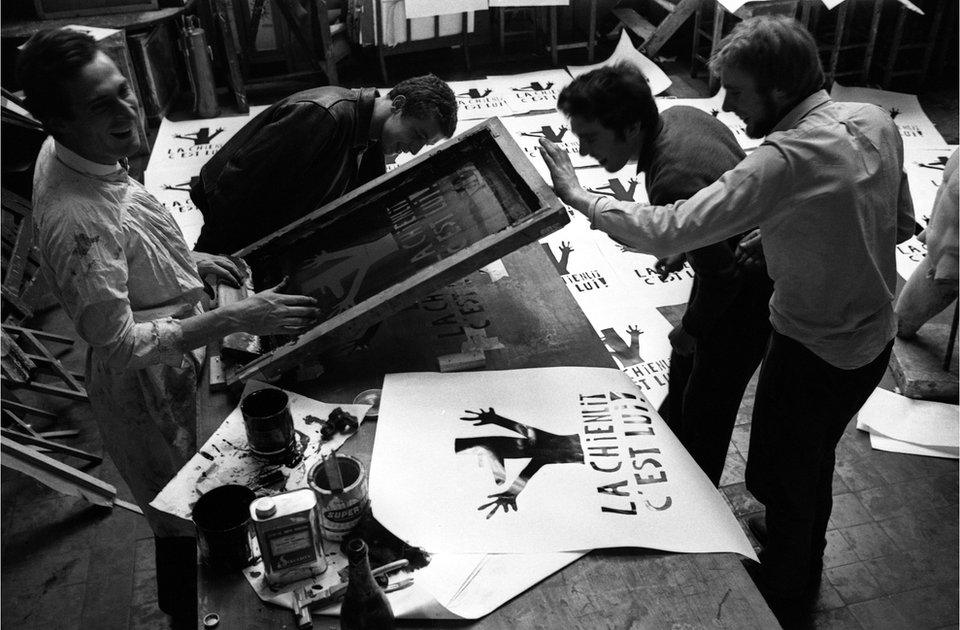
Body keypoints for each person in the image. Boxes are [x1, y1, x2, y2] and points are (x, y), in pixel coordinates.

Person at [539, 16, 914, 626]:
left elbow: (674, 226)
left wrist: (583, 197)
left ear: (779, 88)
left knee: (781, 471)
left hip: (813, 346)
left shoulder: (785, 158)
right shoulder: (873, 120)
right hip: (871, 338)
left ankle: (790, 588)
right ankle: (798, 529)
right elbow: (894, 220)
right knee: (810, 455)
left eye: (737, 92)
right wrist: (771, 237)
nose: (729, 108)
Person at [17, 28, 321, 628]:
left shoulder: (81, 153)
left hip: (170, 353)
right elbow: (122, 342)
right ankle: (187, 617)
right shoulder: (77, 219)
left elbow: (127, 231)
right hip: (144, 389)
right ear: (57, 121)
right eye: (100, 105)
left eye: (123, 91)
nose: (127, 111)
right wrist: (230, 318)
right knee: (183, 515)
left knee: (193, 497)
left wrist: (187, 262)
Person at [554, 63, 772, 487]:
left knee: (707, 404)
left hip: (749, 293)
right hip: (739, 261)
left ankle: (696, 507)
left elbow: (723, 275)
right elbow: (715, 207)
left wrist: (691, 328)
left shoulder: (672, 177)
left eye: (591, 137)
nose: (582, 152)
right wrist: (690, 245)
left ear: (632, 127)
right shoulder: (681, 115)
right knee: (685, 376)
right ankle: (670, 450)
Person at [190, 74, 458, 254]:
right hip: (233, 237)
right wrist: (234, 256)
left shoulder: (370, 137)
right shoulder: (323, 115)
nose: (414, 150)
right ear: (398, 105)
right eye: (417, 135)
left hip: (269, 238)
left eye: (424, 145)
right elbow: (238, 186)